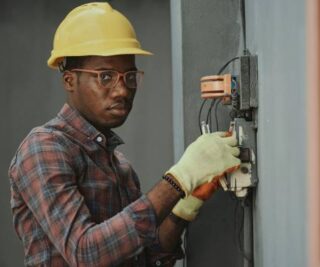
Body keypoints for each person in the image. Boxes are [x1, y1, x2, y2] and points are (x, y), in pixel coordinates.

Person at [8, 3, 241, 267]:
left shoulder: (121, 169)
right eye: (105, 76)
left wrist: (185, 206)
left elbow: (149, 258)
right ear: (69, 81)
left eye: (129, 77)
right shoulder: (44, 149)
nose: (122, 90)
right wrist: (179, 179)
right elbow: (86, 254)